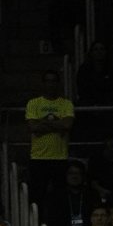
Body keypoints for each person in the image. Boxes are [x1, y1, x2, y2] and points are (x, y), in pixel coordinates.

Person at [25, 70, 75, 204]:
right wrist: (58, 124)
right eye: (48, 81)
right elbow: (33, 127)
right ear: (43, 84)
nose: (51, 84)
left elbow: (68, 124)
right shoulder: (33, 104)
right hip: (38, 157)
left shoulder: (66, 104)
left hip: (60, 157)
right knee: (37, 196)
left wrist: (43, 122)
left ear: (58, 84)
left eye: (54, 81)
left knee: (60, 197)